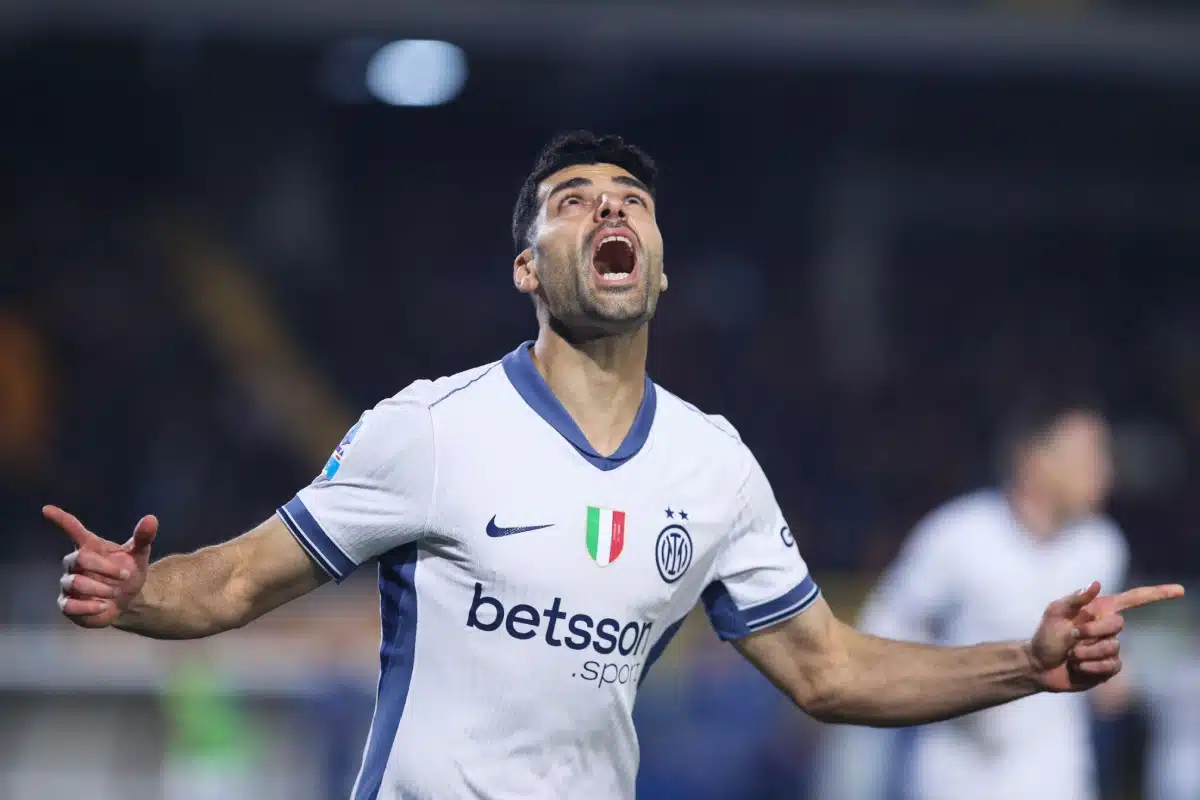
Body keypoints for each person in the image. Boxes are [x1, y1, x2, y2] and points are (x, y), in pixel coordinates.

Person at [49, 131, 1183, 800]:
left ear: (659, 270)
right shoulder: (432, 426)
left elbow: (830, 671)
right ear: (527, 269)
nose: (610, 208)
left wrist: (1028, 664)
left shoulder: (713, 464)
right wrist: (140, 593)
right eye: (575, 200)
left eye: (631, 200)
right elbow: (239, 578)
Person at [815, 398, 1133, 800]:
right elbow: (882, 632)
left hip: (1055, 773)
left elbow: (1107, 658)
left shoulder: (1101, 546)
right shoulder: (957, 535)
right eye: (1088, 455)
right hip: (956, 771)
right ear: (1034, 459)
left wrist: (1113, 671)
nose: (1104, 471)